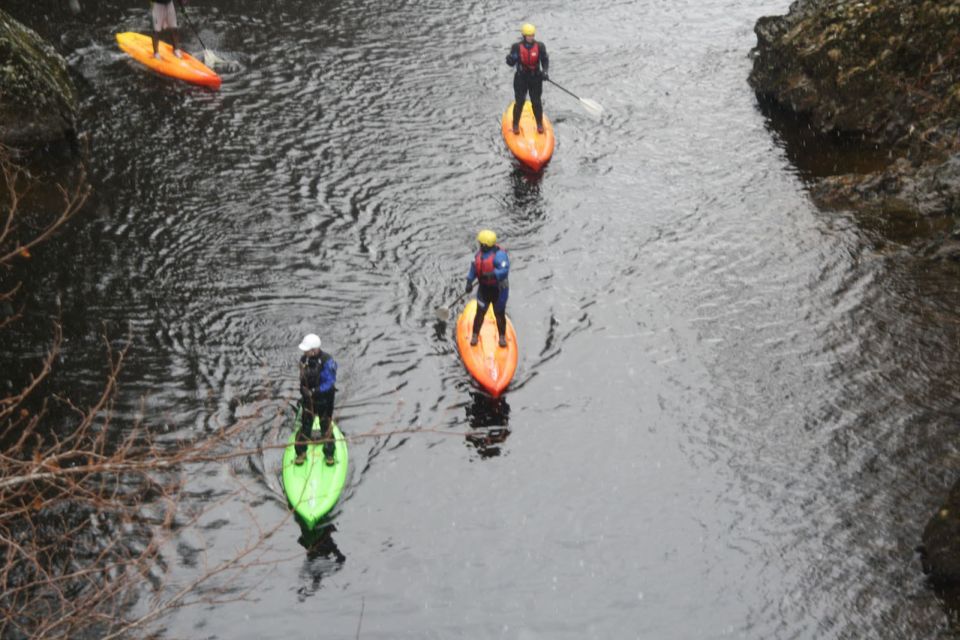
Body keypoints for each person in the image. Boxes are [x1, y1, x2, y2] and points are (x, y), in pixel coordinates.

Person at [295, 333, 338, 466]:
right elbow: (303, 378)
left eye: (306, 350)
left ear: (314, 350)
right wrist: (303, 389)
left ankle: (329, 454)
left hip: (324, 402)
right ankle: (301, 453)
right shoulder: (304, 359)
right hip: (309, 401)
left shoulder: (327, 361)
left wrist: (314, 391)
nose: (304, 352)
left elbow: (330, 382)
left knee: (326, 427)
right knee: (305, 427)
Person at [465, 230, 510, 348]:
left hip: (499, 290)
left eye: (480, 243)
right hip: (484, 289)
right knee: (480, 313)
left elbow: (504, 270)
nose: (479, 245)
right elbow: (473, 269)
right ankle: (475, 335)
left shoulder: (500, 256)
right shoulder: (478, 255)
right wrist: (469, 282)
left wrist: (492, 274)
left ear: (485, 244)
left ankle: (502, 337)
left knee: (499, 314)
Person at [505, 23, 550, 135]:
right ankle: (515, 124)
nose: (531, 37)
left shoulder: (540, 46)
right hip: (521, 78)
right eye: (529, 35)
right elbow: (511, 63)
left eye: (532, 35)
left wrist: (545, 71)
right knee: (520, 102)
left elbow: (545, 60)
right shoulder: (516, 47)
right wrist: (510, 59)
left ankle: (539, 123)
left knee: (536, 102)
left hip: (535, 78)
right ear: (524, 35)